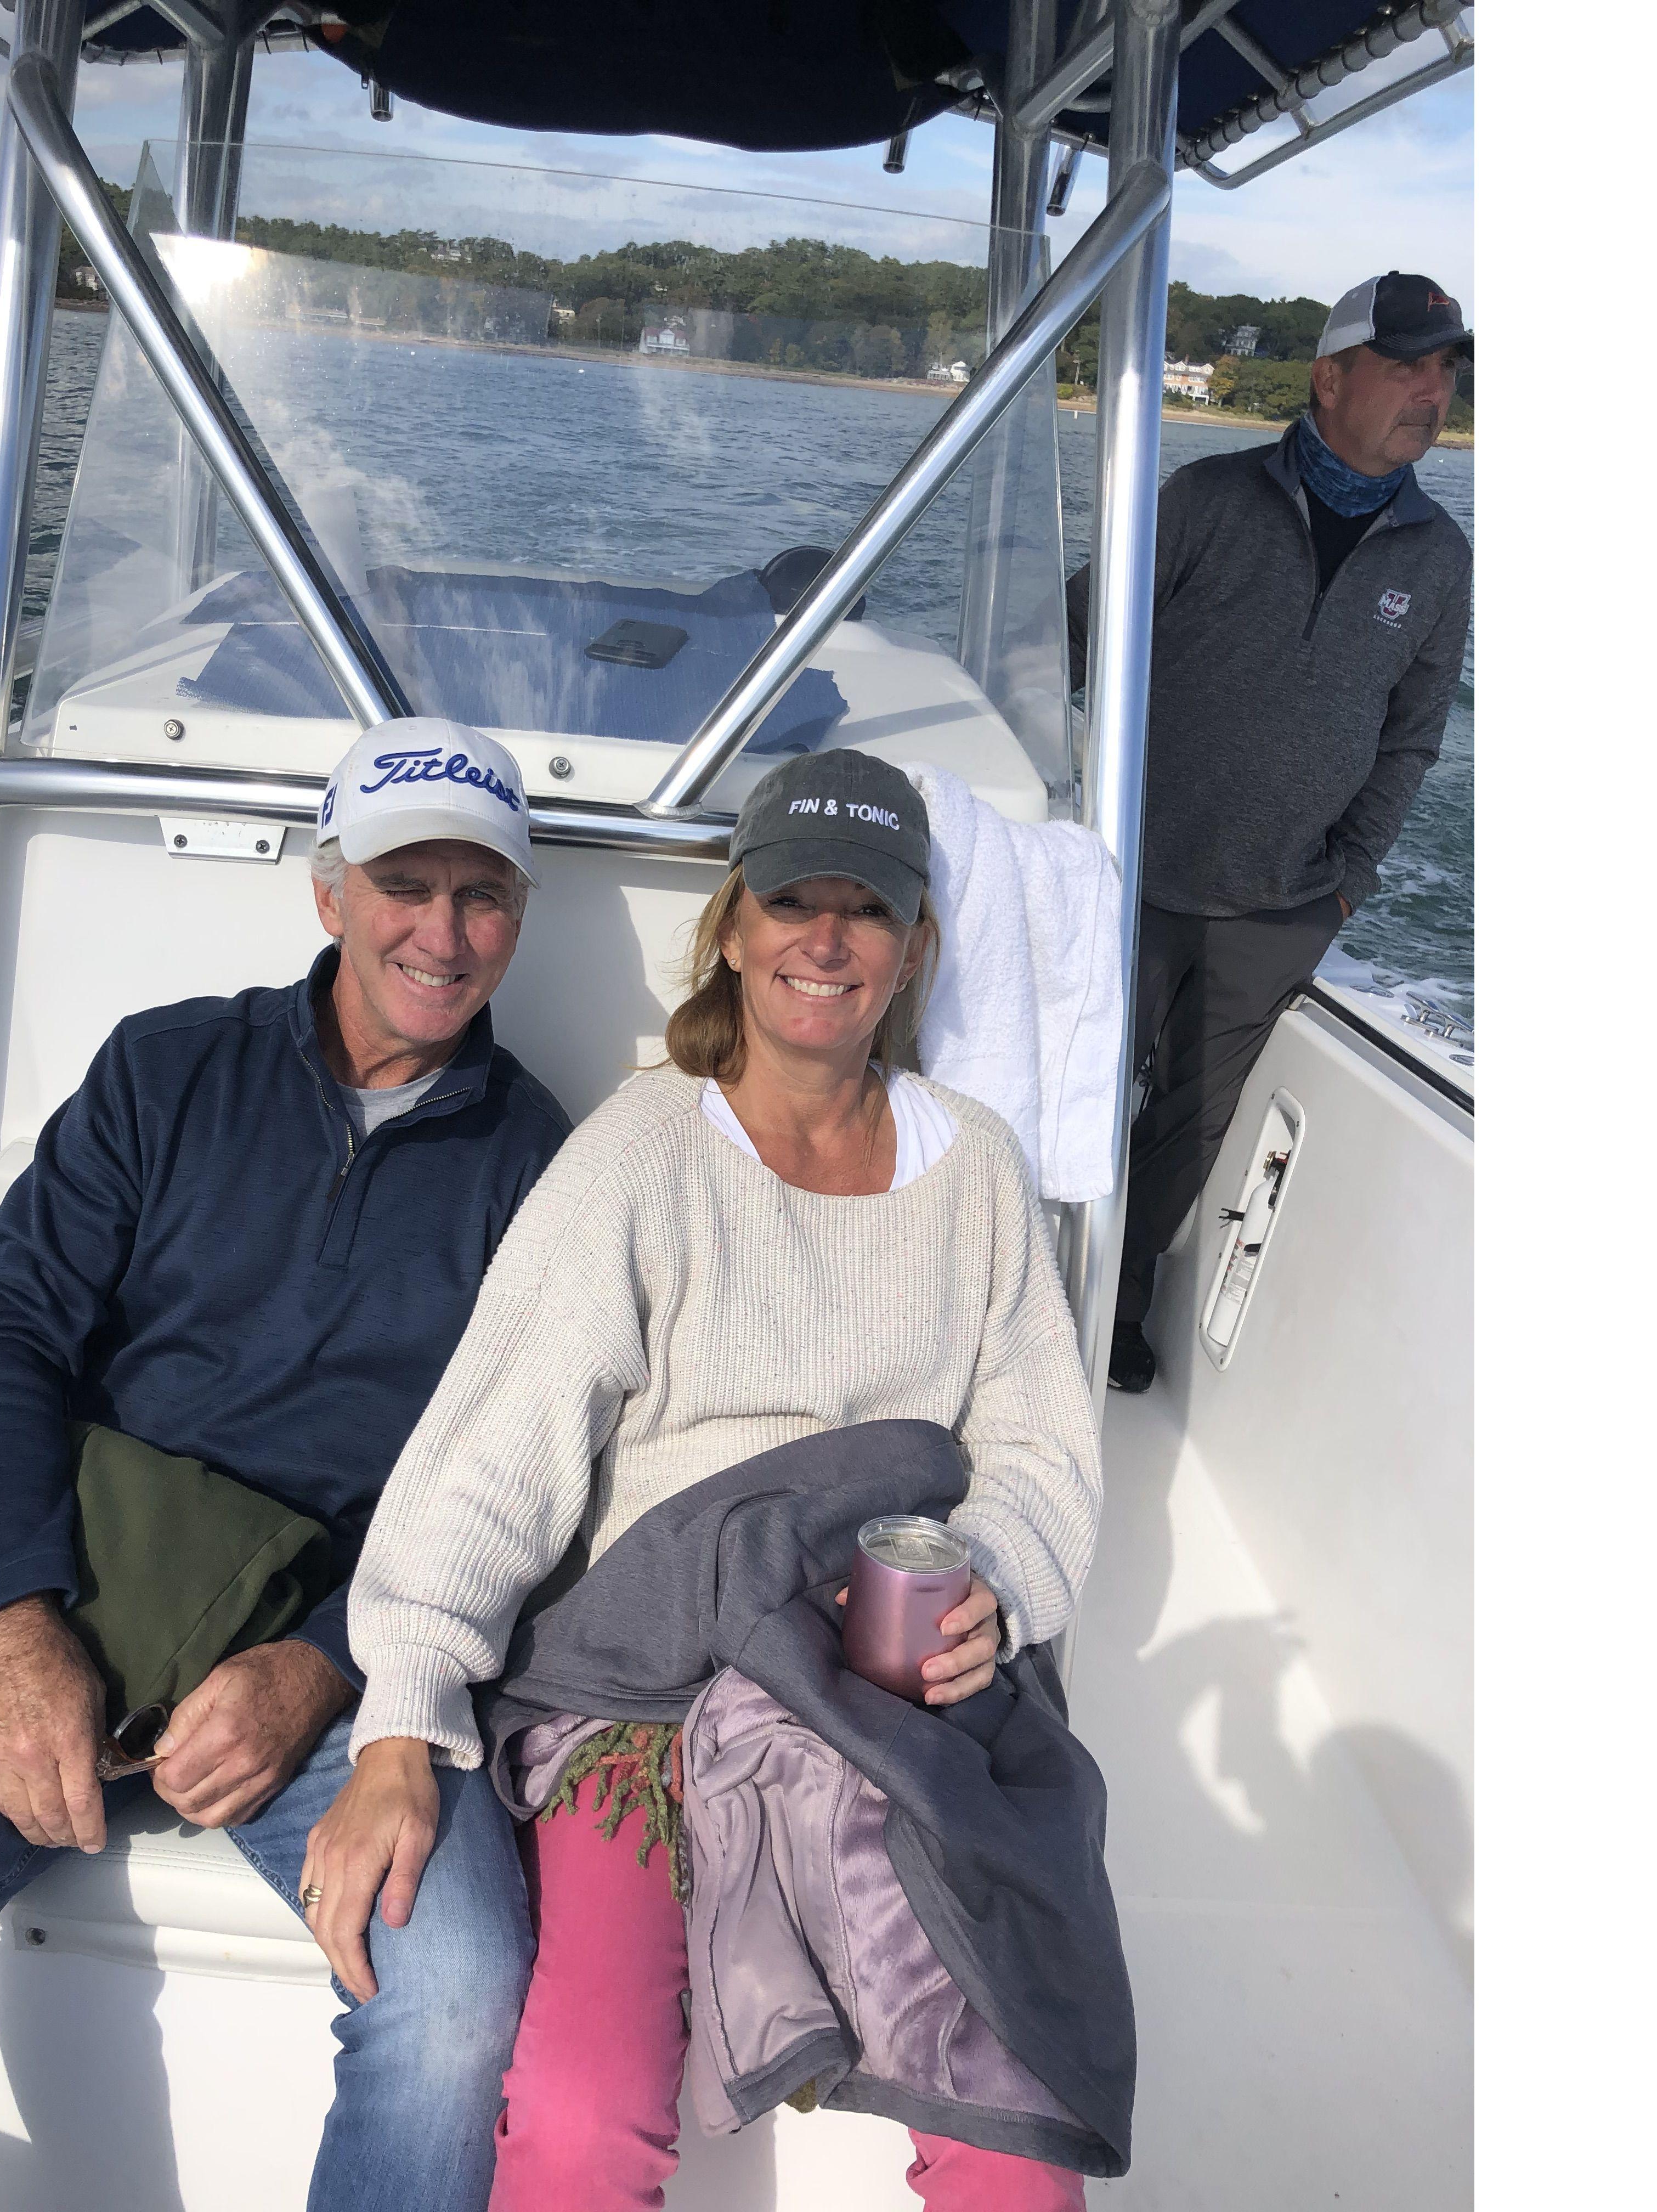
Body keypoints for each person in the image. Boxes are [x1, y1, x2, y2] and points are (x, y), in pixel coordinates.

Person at [304, 752, 1107, 2209]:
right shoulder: (641, 1153)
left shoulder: (979, 1169)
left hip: (882, 1696)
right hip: (646, 1705)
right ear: (733, 927)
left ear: (914, 948)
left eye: (869, 911)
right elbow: (499, 1449)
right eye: (794, 901)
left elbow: (1041, 1444)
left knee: (1013, 2141)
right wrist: (403, 1718)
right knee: (581, 2114)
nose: (827, 940)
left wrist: (993, 1579)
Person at [0, 721, 570, 2212]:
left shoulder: (544, 1169)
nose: (442, 933)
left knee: (457, 2008)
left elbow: (521, 1490)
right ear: (330, 893)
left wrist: (320, 1666)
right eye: (404, 885)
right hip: (81, 1585)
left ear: (519, 918)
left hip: (339, 1641)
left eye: (481, 895)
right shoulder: (167, 1069)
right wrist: (10, 1627)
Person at [1067, 270, 1474, 1392]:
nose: (1434, 389)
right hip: (1132, 874)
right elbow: (1078, 637)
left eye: (1446, 368)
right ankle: (1020, 1297)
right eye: (1408, 364)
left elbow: (1412, 739)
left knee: (1191, 1127)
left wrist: (1345, 887)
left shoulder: (1440, 558)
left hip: (1283, 904)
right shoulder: (1204, 500)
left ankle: (1116, 1304)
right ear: (1330, 377)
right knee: (1073, 1092)